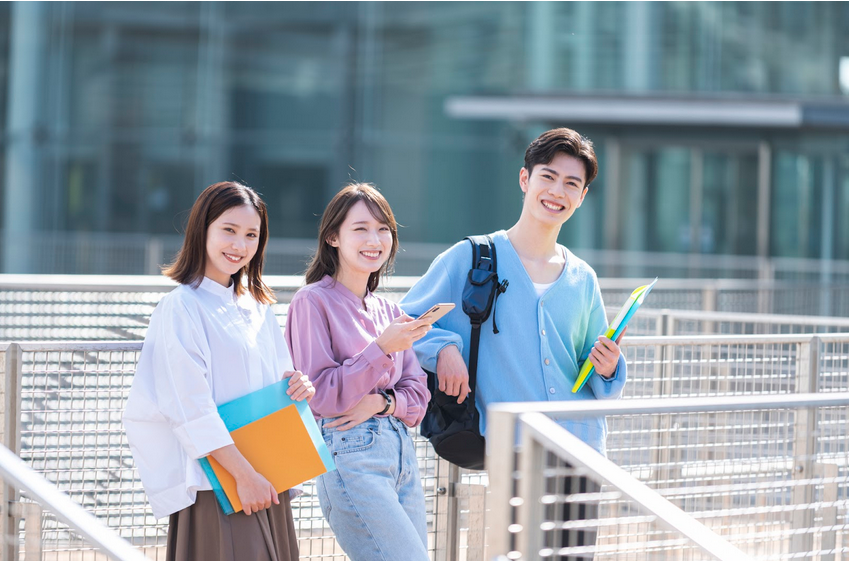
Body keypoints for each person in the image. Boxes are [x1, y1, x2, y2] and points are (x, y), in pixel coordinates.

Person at [400, 128, 628, 560]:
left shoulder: (583, 278)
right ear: (525, 180)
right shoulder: (471, 257)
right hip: (514, 447)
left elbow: (599, 381)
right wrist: (444, 347)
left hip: (580, 448)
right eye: (548, 176)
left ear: (582, 197)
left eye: (572, 184)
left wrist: (608, 366)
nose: (557, 191)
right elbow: (405, 322)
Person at [123, 181, 315, 561]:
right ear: (202, 229)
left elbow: (274, 386)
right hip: (221, 483)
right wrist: (243, 475)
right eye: (228, 230)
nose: (239, 246)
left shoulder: (257, 306)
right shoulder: (181, 307)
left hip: (268, 476)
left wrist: (297, 384)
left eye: (251, 235)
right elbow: (188, 406)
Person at [284, 183, 431, 561]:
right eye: (361, 228)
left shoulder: (388, 310)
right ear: (333, 236)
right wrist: (381, 349)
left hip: (401, 456)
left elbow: (417, 399)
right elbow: (324, 395)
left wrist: (380, 404)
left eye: (384, 229)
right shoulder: (312, 301)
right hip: (351, 454)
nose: (375, 239)